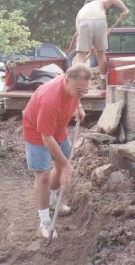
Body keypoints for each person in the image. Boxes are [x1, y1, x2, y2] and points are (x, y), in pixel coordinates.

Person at [22, 63, 92, 239]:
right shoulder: (50, 100)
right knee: (43, 175)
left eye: (85, 90)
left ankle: (52, 200)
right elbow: (46, 137)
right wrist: (66, 165)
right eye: (78, 90)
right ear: (66, 81)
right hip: (38, 134)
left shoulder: (73, 83)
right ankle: (44, 220)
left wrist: (79, 105)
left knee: (61, 165)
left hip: (58, 130)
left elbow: (78, 91)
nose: (81, 93)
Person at [75, 0, 129, 89]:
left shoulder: (81, 11)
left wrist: (90, 47)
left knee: (81, 56)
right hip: (100, 21)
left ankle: (80, 84)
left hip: (84, 22)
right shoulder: (99, 2)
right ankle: (103, 81)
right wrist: (125, 9)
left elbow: (80, 33)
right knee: (101, 54)